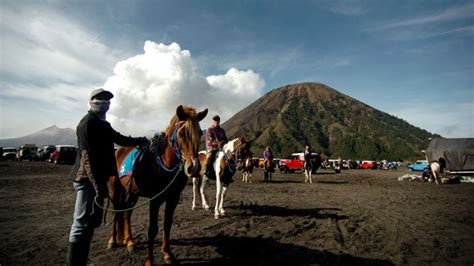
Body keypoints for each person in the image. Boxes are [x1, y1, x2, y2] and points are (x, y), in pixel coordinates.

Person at [66, 88, 148, 266]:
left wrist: (142, 140)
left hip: (95, 179)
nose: (104, 102)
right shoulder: (87, 124)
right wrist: (99, 187)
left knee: (89, 224)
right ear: (91, 101)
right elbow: (87, 160)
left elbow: (120, 139)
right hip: (86, 179)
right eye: (100, 99)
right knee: (80, 225)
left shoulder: (102, 124)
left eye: (107, 99)